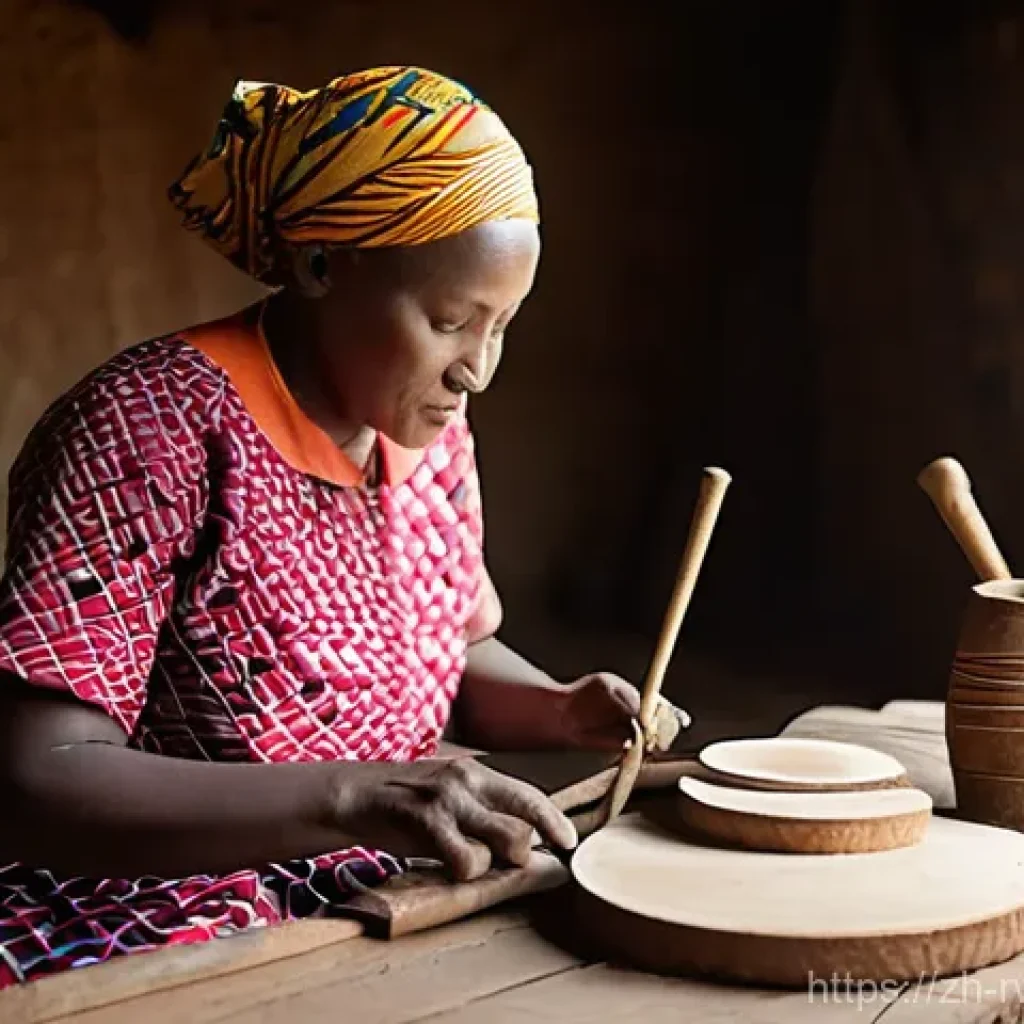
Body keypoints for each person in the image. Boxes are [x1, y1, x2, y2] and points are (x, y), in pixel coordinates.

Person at [0, 65, 687, 987]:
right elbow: (40, 777)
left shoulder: (430, 435)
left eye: (502, 326)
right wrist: (357, 793)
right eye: (449, 322)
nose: (476, 370)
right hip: (155, 904)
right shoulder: (147, 429)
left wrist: (562, 707)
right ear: (322, 264)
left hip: (377, 884)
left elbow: (438, 668)